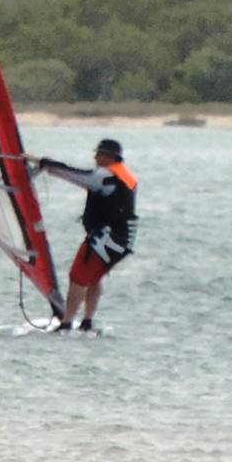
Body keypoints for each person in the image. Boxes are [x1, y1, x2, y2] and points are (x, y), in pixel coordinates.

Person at [32, 139, 138, 331]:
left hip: (105, 240)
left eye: (98, 154)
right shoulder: (125, 176)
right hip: (122, 242)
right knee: (94, 279)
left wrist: (47, 164)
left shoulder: (106, 175)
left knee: (78, 278)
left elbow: (77, 176)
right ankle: (87, 322)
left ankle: (66, 323)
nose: (95, 157)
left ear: (108, 157)